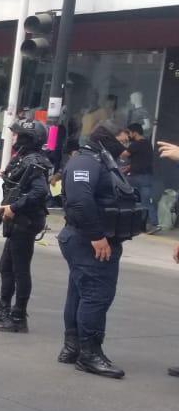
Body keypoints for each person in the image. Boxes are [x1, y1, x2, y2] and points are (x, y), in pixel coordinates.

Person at [56, 121, 142, 379]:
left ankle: (73, 347)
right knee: (96, 295)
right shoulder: (88, 161)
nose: (126, 145)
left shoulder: (103, 160)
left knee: (79, 293)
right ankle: (90, 354)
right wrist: (97, 236)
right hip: (89, 240)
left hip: (91, 238)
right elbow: (80, 201)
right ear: (108, 137)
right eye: (123, 139)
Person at [0, 119, 51, 334]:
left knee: (20, 270)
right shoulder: (23, 159)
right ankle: (3, 309)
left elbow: (40, 192)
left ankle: (19, 316)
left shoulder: (34, 162)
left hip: (25, 221)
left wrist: (15, 206)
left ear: (30, 139)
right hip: (16, 221)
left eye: (20, 136)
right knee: (6, 267)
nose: (15, 139)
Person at [121, 123, 158, 234]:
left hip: (135, 177)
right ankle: (153, 224)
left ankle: (126, 223)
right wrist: (128, 167)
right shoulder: (147, 144)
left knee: (125, 198)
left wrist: (120, 142)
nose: (128, 135)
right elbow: (142, 161)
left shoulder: (135, 144)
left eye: (129, 133)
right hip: (147, 177)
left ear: (134, 133)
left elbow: (123, 155)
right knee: (146, 202)